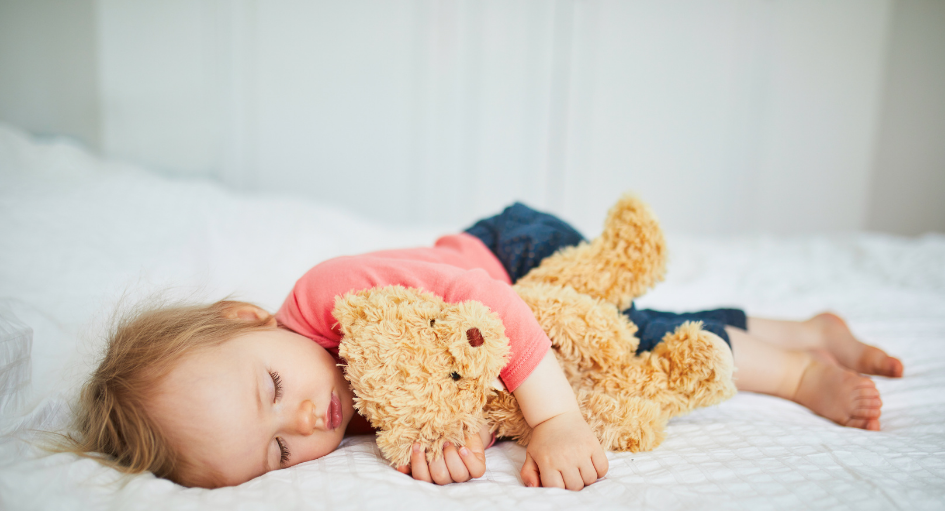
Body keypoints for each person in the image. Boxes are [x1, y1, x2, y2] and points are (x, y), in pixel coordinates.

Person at [70, 204, 904, 490]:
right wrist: (455, 441)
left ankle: (796, 372)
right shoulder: (337, 410)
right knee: (647, 317)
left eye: (270, 391)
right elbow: (451, 399)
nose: (305, 419)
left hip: (513, 257)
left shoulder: (325, 297)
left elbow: (485, 305)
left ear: (247, 317)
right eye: (278, 451)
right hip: (503, 301)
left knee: (631, 343)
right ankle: (808, 331)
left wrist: (553, 423)